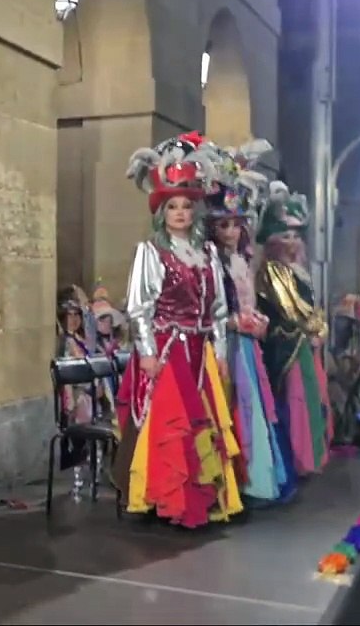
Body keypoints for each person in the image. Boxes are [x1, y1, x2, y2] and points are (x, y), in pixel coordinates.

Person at [111, 131, 243, 529]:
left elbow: (218, 308)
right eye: (173, 207)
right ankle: (167, 497)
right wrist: (147, 351)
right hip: (168, 350)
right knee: (172, 426)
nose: (181, 213)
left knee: (203, 424)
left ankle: (199, 497)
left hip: (200, 350)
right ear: (162, 213)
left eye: (187, 206)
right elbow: (139, 306)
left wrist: (220, 351)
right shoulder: (151, 252)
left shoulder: (207, 254)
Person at [202, 136, 293, 506]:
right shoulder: (212, 261)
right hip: (225, 344)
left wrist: (254, 319)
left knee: (253, 406)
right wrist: (235, 324)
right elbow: (210, 310)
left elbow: (246, 300)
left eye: (236, 225)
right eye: (223, 226)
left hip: (247, 345)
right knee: (234, 408)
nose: (230, 232)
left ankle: (254, 477)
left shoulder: (241, 261)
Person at [255, 181, 333, 477]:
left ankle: (307, 458)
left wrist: (317, 325)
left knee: (311, 396)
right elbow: (291, 308)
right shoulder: (273, 270)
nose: (292, 242)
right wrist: (316, 325)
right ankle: (294, 459)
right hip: (285, 341)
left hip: (301, 341)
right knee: (294, 398)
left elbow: (309, 305)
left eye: (296, 235)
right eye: (286, 235)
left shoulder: (298, 269)